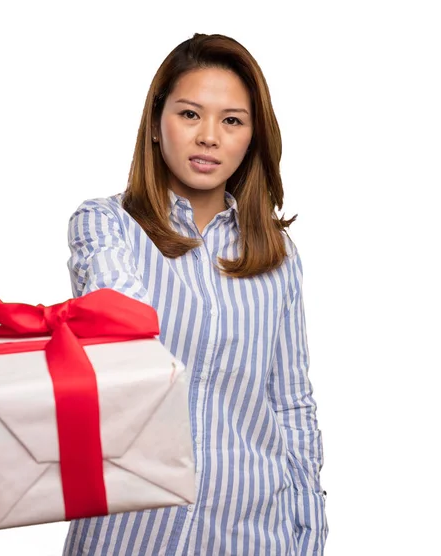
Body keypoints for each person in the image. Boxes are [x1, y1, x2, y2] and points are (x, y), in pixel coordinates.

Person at [63, 32, 328, 556]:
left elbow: (291, 404)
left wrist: (309, 533)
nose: (209, 136)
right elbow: (123, 317)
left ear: (252, 137)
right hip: (132, 533)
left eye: (232, 120)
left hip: (256, 530)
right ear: (157, 125)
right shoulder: (105, 225)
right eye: (190, 114)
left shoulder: (276, 255)